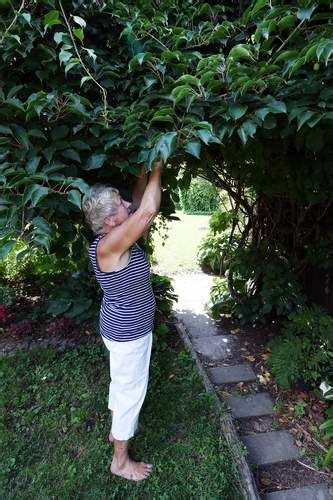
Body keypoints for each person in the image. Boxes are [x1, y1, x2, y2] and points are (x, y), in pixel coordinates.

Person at [82, 160, 163, 481]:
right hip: (129, 334)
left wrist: (144, 169)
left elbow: (139, 200)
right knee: (131, 394)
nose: (128, 204)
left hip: (120, 329)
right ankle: (120, 461)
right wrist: (159, 167)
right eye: (121, 205)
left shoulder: (113, 238)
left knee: (122, 383)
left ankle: (117, 433)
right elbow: (147, 210)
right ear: (112, 220)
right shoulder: (111, 245)